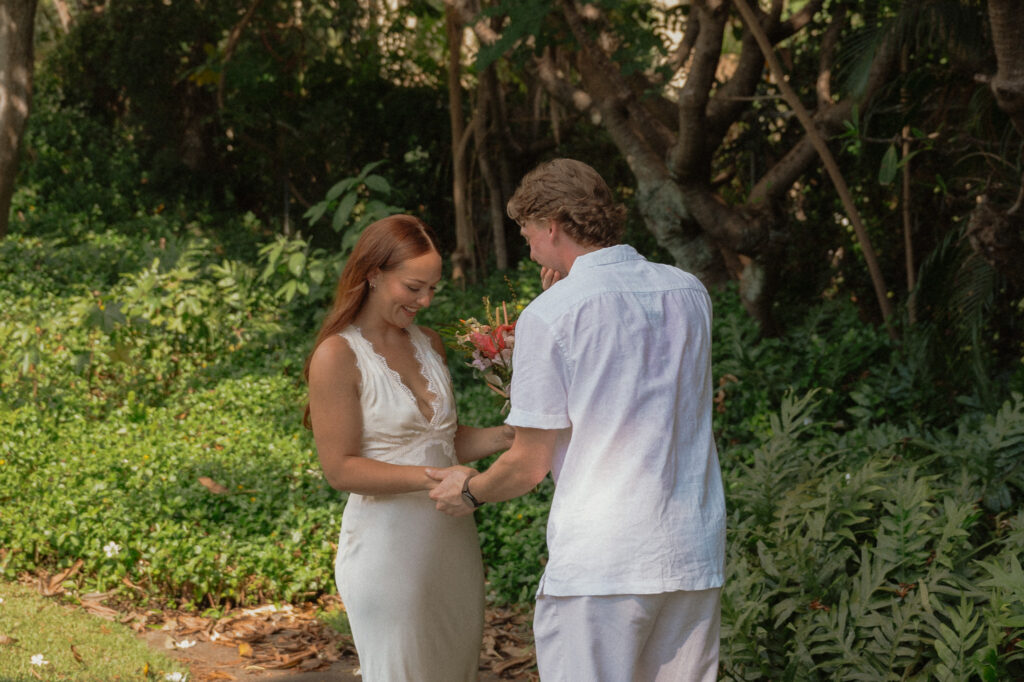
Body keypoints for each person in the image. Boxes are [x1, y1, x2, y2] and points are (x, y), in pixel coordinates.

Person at [428, 159, 726, 681]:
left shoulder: (553, 314)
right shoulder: (688, 291)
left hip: (604, 559)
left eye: (527, 233)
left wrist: (471, 491)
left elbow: (528, 464)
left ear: (553, 225)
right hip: (692, 548)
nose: (528, 246)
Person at [304, 214, 513, 682]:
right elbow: (340, 469)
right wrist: (439, 479)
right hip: (387, 550)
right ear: (373, 275)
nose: (425, 301)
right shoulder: (337, 356)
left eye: (433, 289)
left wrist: (508, 436)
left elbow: (443, 439)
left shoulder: (430, 344)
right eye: (414, 287)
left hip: (452, 543)